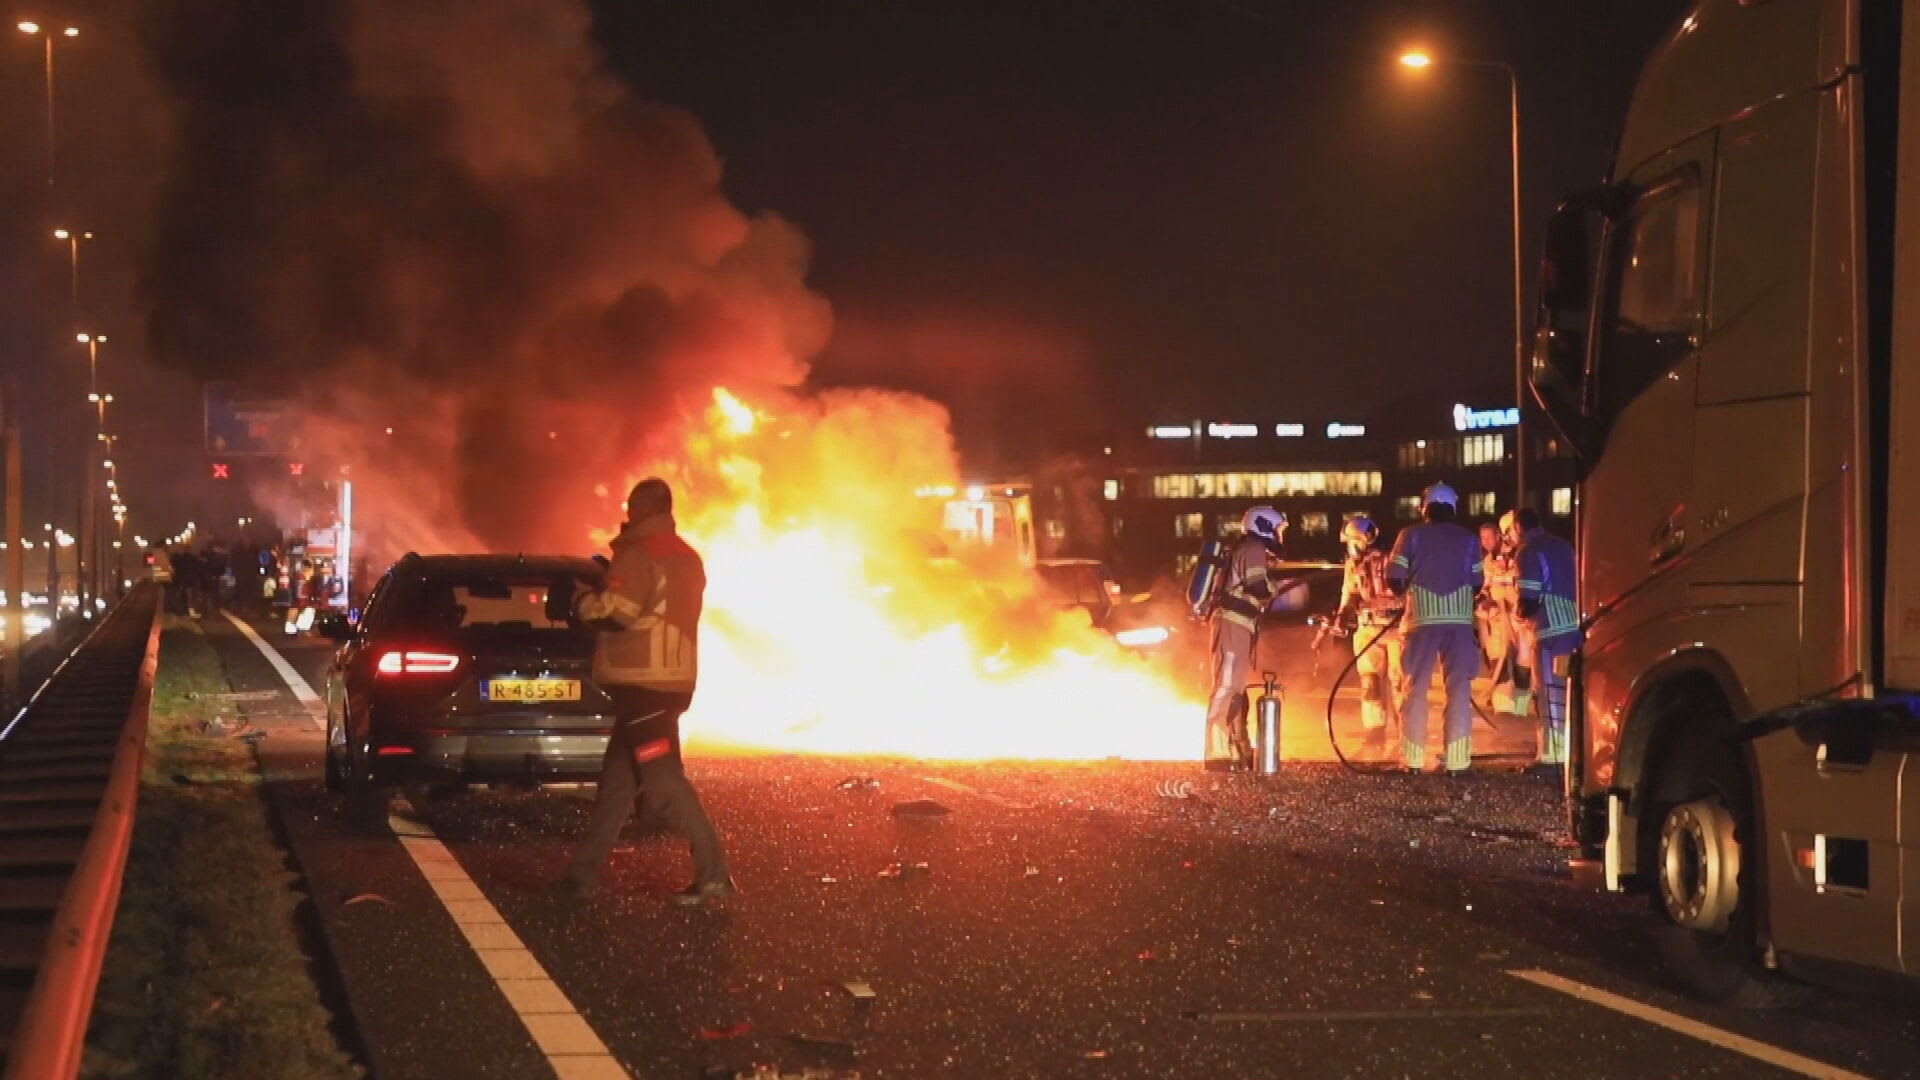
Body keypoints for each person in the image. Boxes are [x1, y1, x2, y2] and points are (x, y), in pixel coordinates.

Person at [559, 477, 734, 905]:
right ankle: (581, 878)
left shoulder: (639, 555)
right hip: (670, 684)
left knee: (662, 780)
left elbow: (617, 613)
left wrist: (580, 602)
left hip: (642, 686)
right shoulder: (687, 557)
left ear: (639, 508)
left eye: (630, 506)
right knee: (618, 784)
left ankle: (714, 876)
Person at [1386, 483, 1484, 774]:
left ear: (1424, 507)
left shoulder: (1410, 535)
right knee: (1458, 688)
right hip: (1460, 622)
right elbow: (1477, 583)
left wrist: (1407, 591)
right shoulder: (1469, 539)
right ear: (1453, 508)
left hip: (1421, 620)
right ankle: (1457, 761)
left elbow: (1395, 576)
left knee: (1415, 688)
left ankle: (1412, 760)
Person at [1202, 505, 1287, 771]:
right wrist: (1275, 587)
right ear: (1264, 526)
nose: (1280, 535)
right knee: (1227, 686)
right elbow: (1257, 586)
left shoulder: (1248, 549)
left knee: (1236, 690)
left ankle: (1235, 750)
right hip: (1232, 624)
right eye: (1278, 529)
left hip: (1239, 625)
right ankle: (1216, 752)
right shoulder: (1252, 549)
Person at [1512, 507, 1581, 767]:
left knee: (1548, 691)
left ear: (1519, 527)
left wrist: (1519, 616)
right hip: (1573, 628)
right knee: (1568, 690)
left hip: (1549, 632)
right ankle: (1572, 749)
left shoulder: (1528, 552)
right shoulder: (1563, 546)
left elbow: (1529, 598)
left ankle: (1551, 755)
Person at [1335, 513, 1403, 758]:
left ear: (1368, 538)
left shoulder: (1394, 560)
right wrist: (1343, 616)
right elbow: (1350, 594)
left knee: (1400, 684)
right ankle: (1375, 735)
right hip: (1368, 630)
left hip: (1397, 629)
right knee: (1370, 682)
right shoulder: (1353, 565)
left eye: (1355, 540)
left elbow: (1406, 591)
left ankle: (1406, 737)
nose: (1353, 546)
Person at [1475, 521, 1520, 713]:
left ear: (1498, 536)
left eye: (1488, 537)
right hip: (1495, 619)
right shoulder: (1487, 562)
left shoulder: (1514, 557)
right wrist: (1484, 601)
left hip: (1514, 619)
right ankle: (1503, 704)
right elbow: (1485, 587)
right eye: (1482, 538)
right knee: (1496, 658)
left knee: (1515, 661)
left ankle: (1514, 705)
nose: (1485, 542)